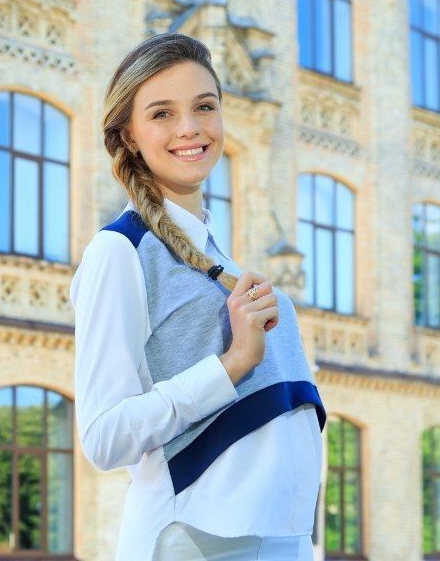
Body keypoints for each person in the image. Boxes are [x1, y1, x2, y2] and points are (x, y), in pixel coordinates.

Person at [70, 32, 326, 561]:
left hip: (282, 537)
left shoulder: (220, 262)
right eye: (162, 113)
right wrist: (231, 365)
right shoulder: (121, 251)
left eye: (204, 106)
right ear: (129, 134)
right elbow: (104, 437)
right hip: (195, 539)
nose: (189, 128)